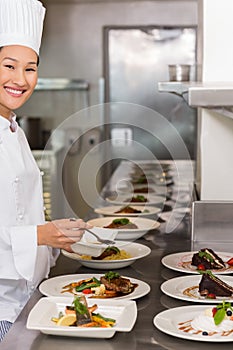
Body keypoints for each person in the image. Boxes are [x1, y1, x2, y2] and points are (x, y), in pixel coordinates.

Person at [0, 0, 91, 342]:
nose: (20, 79)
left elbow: (17, 210)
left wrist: (56, 240)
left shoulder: (12, 129)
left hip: (25, 302)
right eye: (9, 66)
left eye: (30, 68)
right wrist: (40, 236)